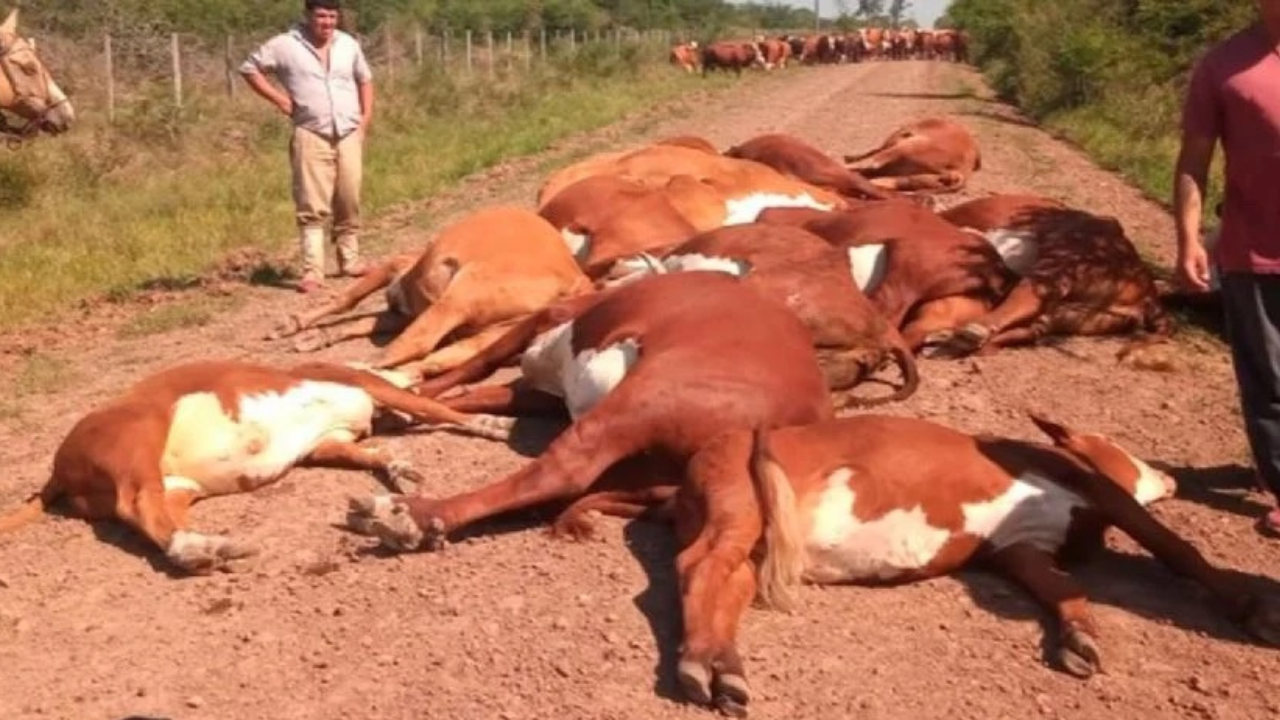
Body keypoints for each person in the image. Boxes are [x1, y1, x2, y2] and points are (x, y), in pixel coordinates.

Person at [1175, 0, 1280, 536]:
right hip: (1253, 251)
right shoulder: (1222, 65)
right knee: (1268, 379)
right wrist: (1190, 239)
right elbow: (1195, 160)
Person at [240, 0, 374, 293]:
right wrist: (280, 100)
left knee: (349, 197)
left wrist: (365, 120)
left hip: (349, 130)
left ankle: (349, 260)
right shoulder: (285, 45)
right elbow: (250, 69)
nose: (326, 22)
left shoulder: (348, 44)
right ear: (308, 15)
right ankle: (313, 270)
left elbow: (365, 80)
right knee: (312, 204)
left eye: (332, 16)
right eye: (321, 15)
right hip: (311, 132)